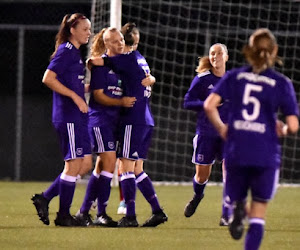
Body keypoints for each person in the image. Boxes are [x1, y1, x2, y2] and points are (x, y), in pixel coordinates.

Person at [204, 28, 299, 250]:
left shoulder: (234, 76)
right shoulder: (281, 83)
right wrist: (282, 129)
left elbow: (209, 105)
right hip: (265, 153)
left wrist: (222, 129)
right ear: (274, 50)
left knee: (238, 195)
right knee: (258, 214)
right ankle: (243, 213)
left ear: (249, 50)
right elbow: (293, 125)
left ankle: (236, 206)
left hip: (237, 149)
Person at [88, 23, 168, 227]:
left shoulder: (125, 59)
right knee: (138, 169)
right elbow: (146, 78)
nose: (120, 43)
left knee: (125, 167)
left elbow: (100, 61)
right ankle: (157, 211)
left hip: (134, 118)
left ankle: (129, 215)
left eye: (122, 40)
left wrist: (91, 62)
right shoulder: (140, 59)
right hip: (146, 118)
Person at [31, 13, 92, 227]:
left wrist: (87, 89)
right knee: (74, 164)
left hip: (77, 116)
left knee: (85, 164)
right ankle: (63, 215)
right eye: (85, 29)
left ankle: (45, 198)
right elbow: (48, 78)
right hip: (68, 116)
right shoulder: (66, 50)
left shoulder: (74, 53)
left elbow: (71, 84)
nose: (89, 33)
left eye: (89, 29)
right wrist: (76, 96)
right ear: (72, 30)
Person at [75, 27, 136, 227]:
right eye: (115, 41)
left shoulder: (123, 63)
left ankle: (84, 212)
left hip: (115, 121)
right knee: (109, 163)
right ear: (106, 44)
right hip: (100, 119)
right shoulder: (100, 65)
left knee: (101, 166)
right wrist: (121, 102)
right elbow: (99, 95)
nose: (119, 43)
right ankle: (101, 213)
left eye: (120, 40)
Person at [183, 43, 231, 226]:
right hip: (206, 133)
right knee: (202, 176)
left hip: (227, 134)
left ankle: (226, 214)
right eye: (212, 53)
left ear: (226, 57)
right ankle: (197, 196)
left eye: (219, 53)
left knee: (230, 172)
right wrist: (206, 104)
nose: (215, 56)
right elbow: (187, 102)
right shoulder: (202, 79)